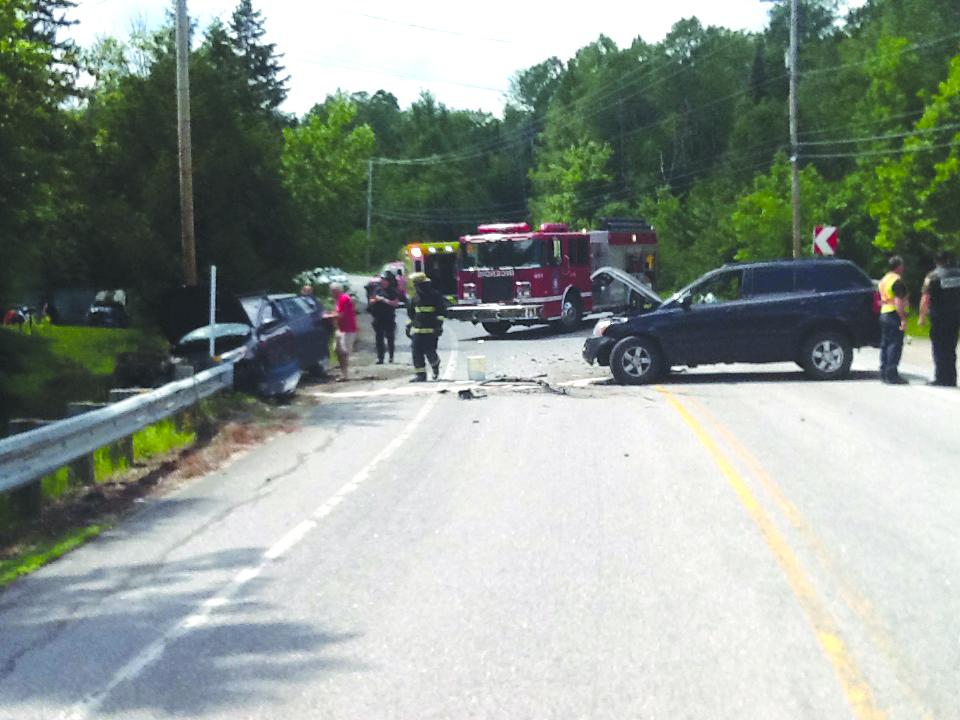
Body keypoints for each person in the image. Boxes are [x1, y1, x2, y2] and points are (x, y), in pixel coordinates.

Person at [919, 251, 960, 387]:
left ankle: (941, 378)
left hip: (939, 317)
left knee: (939, 348)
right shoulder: (958, 274)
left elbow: (925, 297)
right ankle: (951, 378)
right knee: (951, 348)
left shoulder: (933, 276)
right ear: (948, 260)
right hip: (955, 317)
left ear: (936, 261)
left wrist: (922, 316)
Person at [407, 272, 447, 382]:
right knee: (416, 352)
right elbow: (411, 313)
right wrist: (409, 326)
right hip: (417, 331)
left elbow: (441, 312)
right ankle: (421, 375)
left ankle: (435, 364)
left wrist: (438, 326)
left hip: (431, 330)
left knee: (430, 352)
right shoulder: (414, 297)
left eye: (416, 284)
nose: (415, 286)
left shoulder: (434, 295)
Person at [878, 255, 910, 384]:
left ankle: (884, 371)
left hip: (884, 312)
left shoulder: (884, 280)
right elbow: (898, 301)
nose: (903, 267)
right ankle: (892, 374)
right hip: (893, 314)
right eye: (902, 265)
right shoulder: (897, 281)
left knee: (885, 344)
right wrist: (903, 319)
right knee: (894, 345)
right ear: (898, 266)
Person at [324, 283, 357, 382]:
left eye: (333, 291)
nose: (332, 293)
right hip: (341, 328)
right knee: (338, 350)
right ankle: (343, 373)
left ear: (337, 290)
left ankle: (345, 374)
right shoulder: (338, 300)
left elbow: (340, 315)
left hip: (348, 329)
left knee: (343, 352)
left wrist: (327, 317)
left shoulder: (343, 299)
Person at [368, 271, 402, 364]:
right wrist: (376, 300)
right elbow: (371, 301)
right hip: (378, 317)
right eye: (382, 280)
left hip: (389, 317)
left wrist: (384, 300)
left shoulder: (392, 291)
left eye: (385, 280)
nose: (383, 282)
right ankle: (380, 358)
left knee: (390, 337)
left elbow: (395, 303)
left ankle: (391, 357)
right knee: (379, 338)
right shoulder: (376, 289)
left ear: (389, 281)